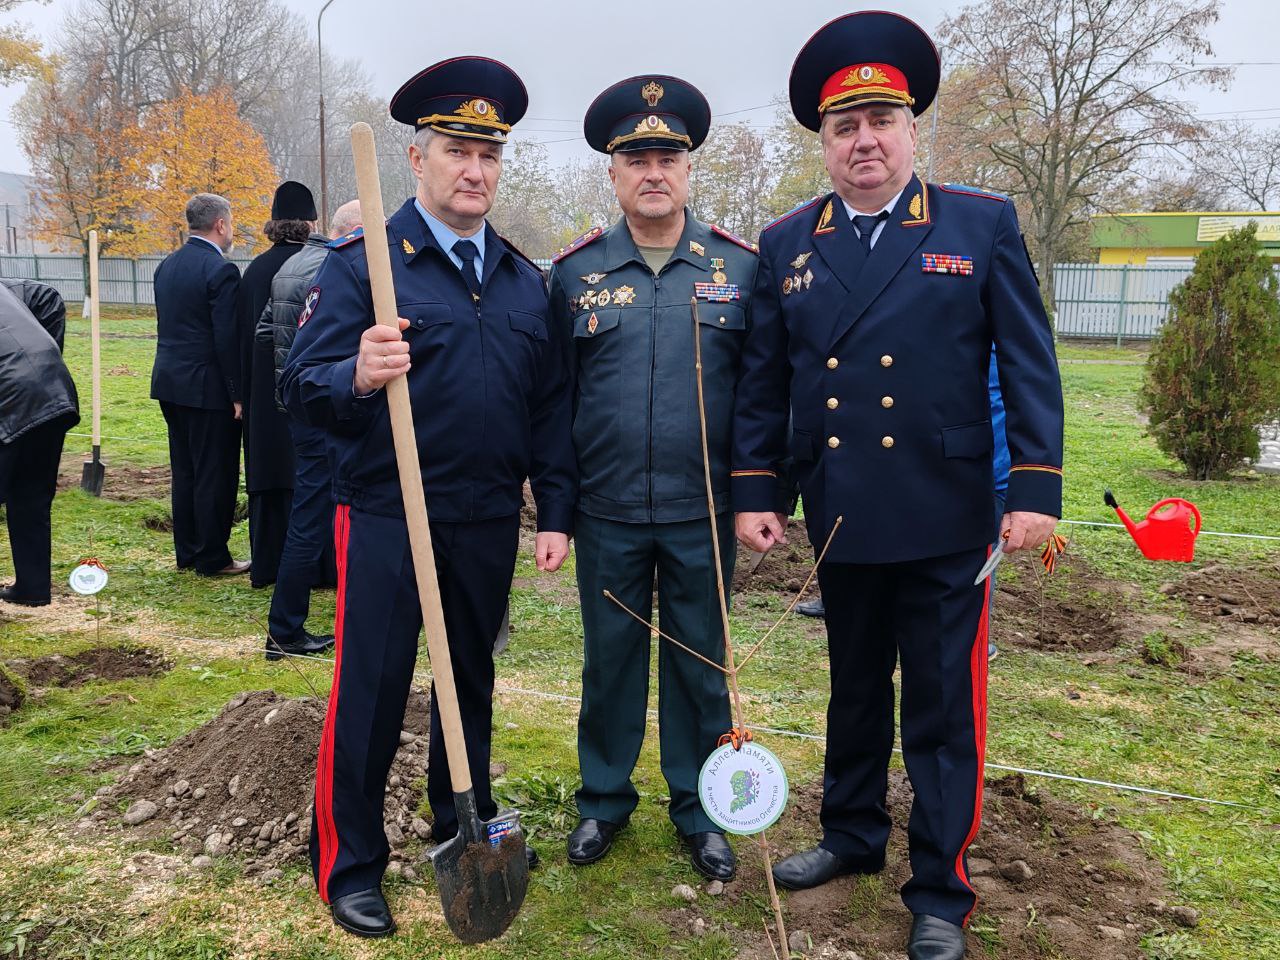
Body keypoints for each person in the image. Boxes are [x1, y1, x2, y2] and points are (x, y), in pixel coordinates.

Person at [731, 13, 1064, 960]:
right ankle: (850, 834)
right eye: (845, 127)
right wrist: (759, 490)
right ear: (825, 143)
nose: (864, 141)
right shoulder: (788, 241)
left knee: (943, 710)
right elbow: (767, 380)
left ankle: (941, 891)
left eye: (881, 120)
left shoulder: (978, 223)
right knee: (853, 688)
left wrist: (1034, 488)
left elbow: (1029, 363)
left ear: (911, 129)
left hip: (948, 512)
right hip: (844, 510)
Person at [281, 58, 576, 939]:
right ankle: (350, 864)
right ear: (418, 158)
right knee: (371, 689)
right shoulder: (365, 265)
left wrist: (555, 511)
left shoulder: (523, 282)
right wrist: (356, 372)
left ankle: (462, 823)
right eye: (457, 150)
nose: (475, 170)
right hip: (386, 513)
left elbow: (550, 410)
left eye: (490, 154)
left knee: (470, 679)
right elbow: (299, 386)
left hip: (484, 517)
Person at [549, 75, 758, 882]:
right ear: (613, 173)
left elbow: (762, 395)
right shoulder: (574, 275)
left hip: (703, 509)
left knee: (701, 664)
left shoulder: (738, 267)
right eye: (636, 160)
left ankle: (701, 809)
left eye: (667, 158)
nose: (653, 173)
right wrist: (558, 508)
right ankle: (603, 800)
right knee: (609, 662)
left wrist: (758, 496)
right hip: (607, 511)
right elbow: (556, 402)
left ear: (688, 168)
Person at [254, 199, 363, 661]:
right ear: (355, 231)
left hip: (298, 406)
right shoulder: (336, 268)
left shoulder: (291, 265)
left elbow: (265, 331)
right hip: (327, 408)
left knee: (313, 511)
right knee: (312, 518)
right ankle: (285, 630)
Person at [151, 193, 247, 576]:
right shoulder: (221, 271)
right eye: (231, 223)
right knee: (215, 472)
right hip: (208, 388)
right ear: (220, 224)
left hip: (170, 383)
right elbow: (226, 338)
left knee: (185, 470)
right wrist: (237, 393)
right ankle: (212, 557)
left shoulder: (166, 266)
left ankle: (188, 551)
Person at [237, 181, 320, 588]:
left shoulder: (254, 270)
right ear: (310, 223)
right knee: (305, 478)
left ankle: (266, 563)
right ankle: (311, 567)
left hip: (259, 395)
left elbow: (242, 334)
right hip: (300, 390)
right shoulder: (315, 267)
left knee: (268, 477)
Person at [0, 280, 78, 605]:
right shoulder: (11, 289)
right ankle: (32, 589)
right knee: (30, 497)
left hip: (10, 396)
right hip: (53, 389)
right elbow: (48, 298)